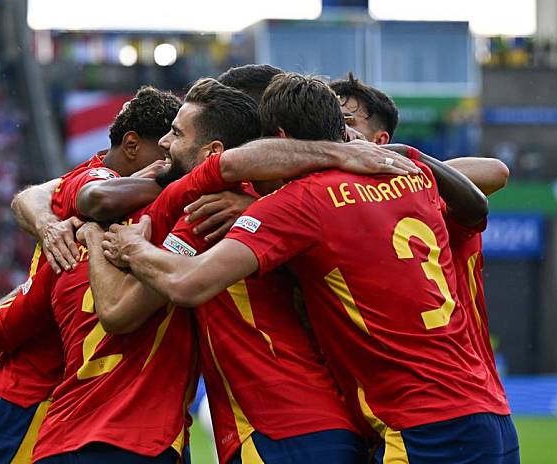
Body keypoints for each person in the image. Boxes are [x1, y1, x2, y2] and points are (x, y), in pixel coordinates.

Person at [104, 73, 519, 463]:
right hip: (489, 412)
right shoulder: (413, 179)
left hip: (411, 427)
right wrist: (407, 154)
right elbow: (481, 196)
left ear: (278, 141)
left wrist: (130, 247)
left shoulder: (291, 205)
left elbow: (179, 286)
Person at [82, 78, 396, 464]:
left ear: (212, 152)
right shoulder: (288, 202)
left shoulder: (206, 211)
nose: (164, 142)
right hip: (326, 427)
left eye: (176, 134)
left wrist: (103, 240)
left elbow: (119, 312)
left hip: (277, 430)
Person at [0, 86, 181, 464]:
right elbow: (94, 197)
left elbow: (30, 197)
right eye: (165, 153)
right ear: (133, 146)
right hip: (31, 401)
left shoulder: (123, 199)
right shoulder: (97, 188)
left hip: (75, 408)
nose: (173, 160)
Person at [332, 72, 513, 424]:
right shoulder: (332, 204)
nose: (340, 135)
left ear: (380, 139)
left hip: (450, 396)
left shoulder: (426, 199)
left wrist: (398, 162)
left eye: (348, 123)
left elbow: (495, 171)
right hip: (380, 406)